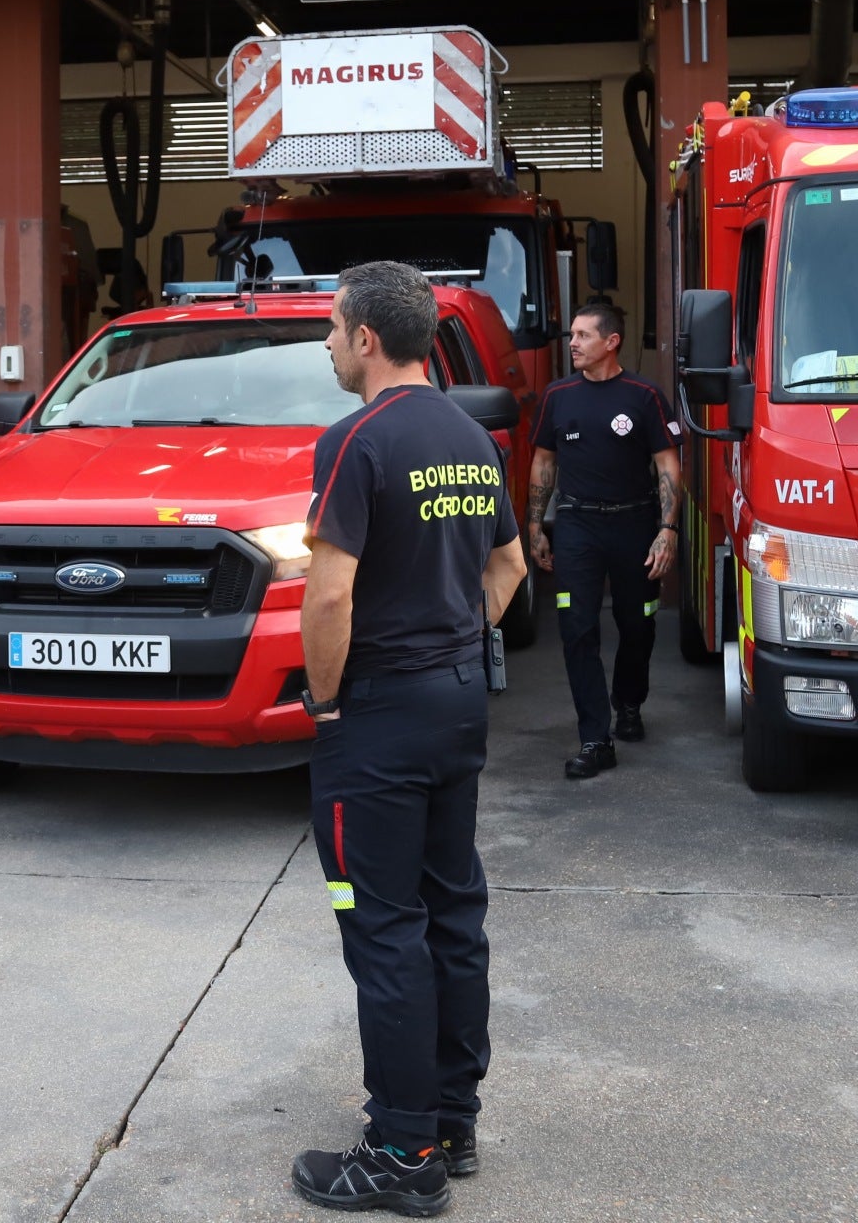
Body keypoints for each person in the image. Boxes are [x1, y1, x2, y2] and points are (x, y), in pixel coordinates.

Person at [292, 260, 529, 1214]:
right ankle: (450, 1120)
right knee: (452, 913)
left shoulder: (357, 441)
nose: (328, 345)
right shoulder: (471, 437)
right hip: (457, 702)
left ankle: (400, 1153)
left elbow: (330, 592)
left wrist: (326, 700)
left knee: (384, 929)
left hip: (379, 716)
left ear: (366, 339)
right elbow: (508, 563)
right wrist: (458, 643)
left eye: (333, 329)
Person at [526, 301, 681, 778]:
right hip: (577, 527)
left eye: (582, 335)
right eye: (571, 334)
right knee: (577, 628)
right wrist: (534, 526)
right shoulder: (557, 395)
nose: (571, 343)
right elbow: (544, 463)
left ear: (611, 342)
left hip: (635, 524)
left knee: (638, 625)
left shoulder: (644, 396)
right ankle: (596, 738)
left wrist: (667, 529)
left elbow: (668, 465)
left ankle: (628, 702)